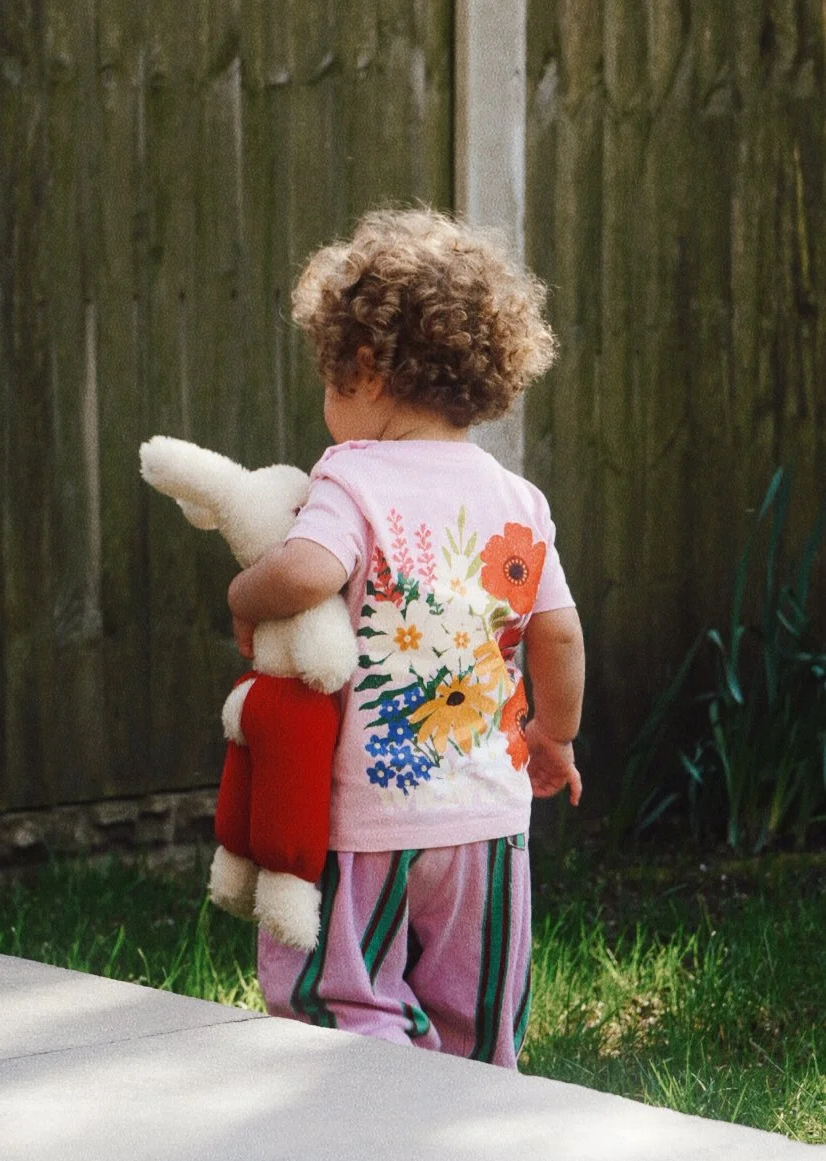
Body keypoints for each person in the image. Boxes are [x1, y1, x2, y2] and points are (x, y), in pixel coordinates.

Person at [227, 207, 585, 1069]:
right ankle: (470, 1119)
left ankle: (371, 1117)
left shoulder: (353, 475)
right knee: (476, 1013)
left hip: (373, 817)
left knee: (347, 996)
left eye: (327, 380)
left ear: (364, 368)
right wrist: (554, 736)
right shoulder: (517, 498)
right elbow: (561, 634)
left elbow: (309, 570)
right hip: (488, 822)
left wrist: (244, 593)